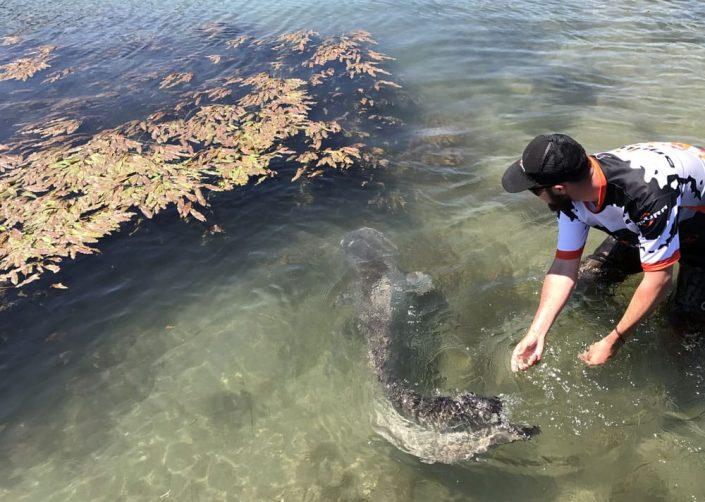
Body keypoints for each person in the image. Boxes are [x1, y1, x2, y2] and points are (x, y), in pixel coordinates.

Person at [501, 134, 705, 371]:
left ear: (559, 188)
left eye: (535, 191)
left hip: (697, 222)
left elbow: (660, 280)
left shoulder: (644, 194)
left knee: (679, 326)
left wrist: (614, 340)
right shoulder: (572, 191)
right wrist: (536, 332)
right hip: (651, 216)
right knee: (590, 281)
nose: (536, 198)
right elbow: (564, 268)